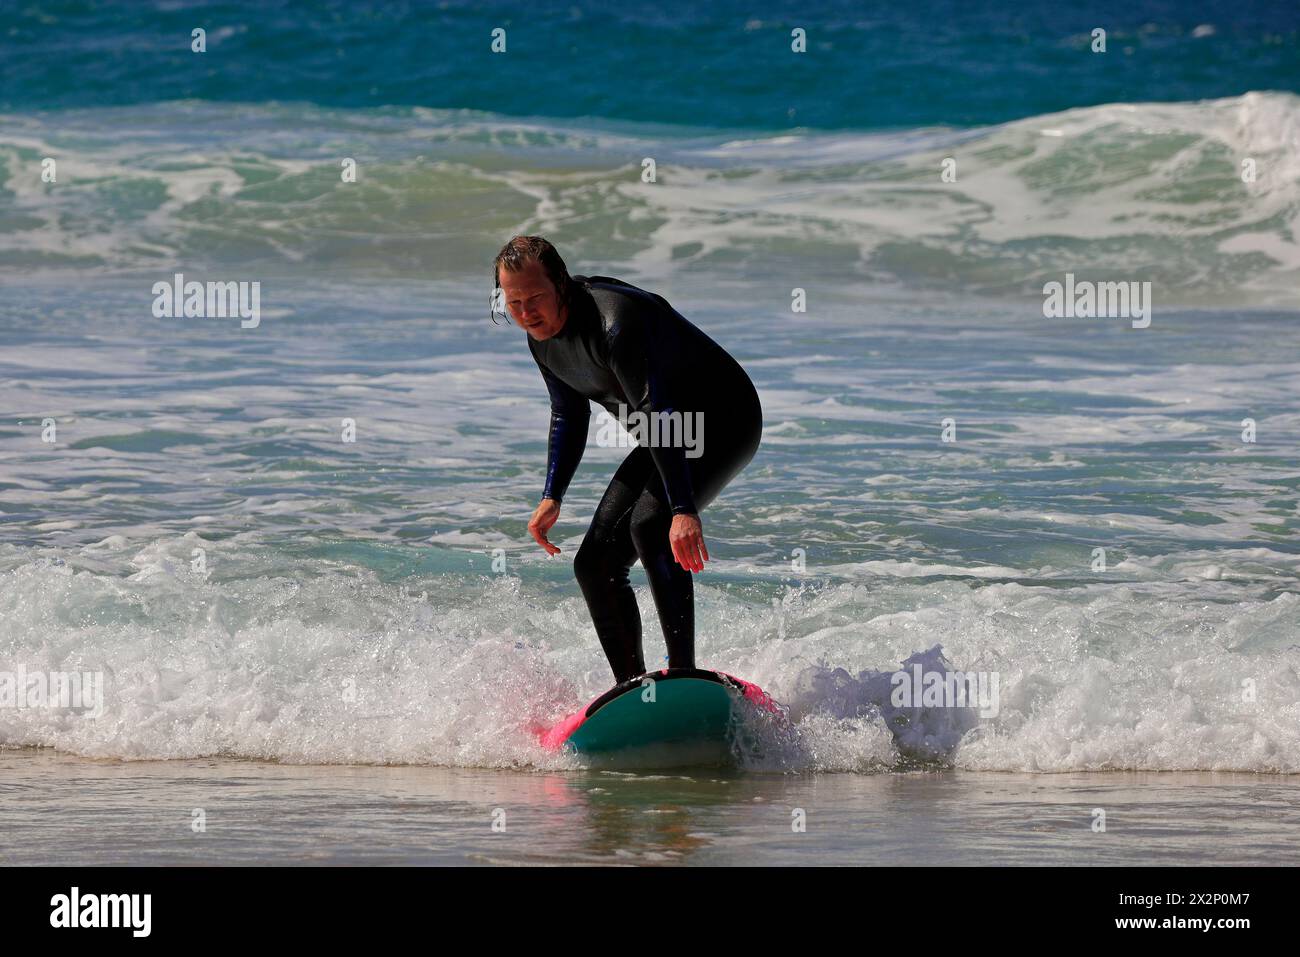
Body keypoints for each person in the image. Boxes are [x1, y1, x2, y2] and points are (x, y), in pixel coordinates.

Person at [494, 235, 762, 685]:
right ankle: (632, 690)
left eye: (535, 298)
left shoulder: (615, 323)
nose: (525, 312)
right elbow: (569, 411)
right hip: (669, 433)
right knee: (593, 565)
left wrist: (681, 509)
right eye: (513, 302)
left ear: (560, 284)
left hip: (723, 423)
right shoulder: (540, 338)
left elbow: (659, 411)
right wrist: (551, 495)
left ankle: (683, 677)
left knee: (649, 526)